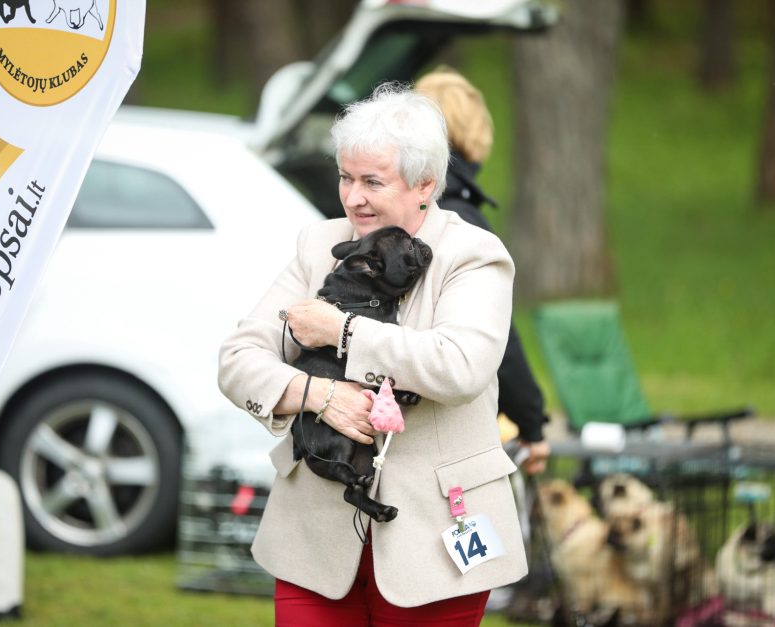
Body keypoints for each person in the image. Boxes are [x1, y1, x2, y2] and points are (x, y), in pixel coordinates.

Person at [218, 83, 527, 626]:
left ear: (425, 184)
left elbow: (459, 368)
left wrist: (342, 332)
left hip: (436, 541)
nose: (353, 197)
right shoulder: (318, 245)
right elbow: (239, 359)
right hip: (312, 538)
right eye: (346, 177)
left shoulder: (473, 255)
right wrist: (317, 394)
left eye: (372, 182)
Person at [415, 67, 550, 475]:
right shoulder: (462, 220)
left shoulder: (412, 211)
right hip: (453, 432)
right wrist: (531, 422)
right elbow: (495, 334)